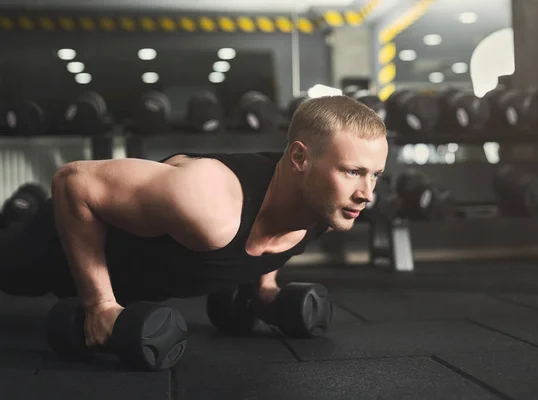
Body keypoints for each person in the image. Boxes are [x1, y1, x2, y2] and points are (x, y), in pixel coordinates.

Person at [1, 95, 388, 350]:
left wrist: (265, 285)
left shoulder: (324, 205)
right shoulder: (208, 204)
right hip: (46, 250)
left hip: (137, 279)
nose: (367, 192)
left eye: (375, 175)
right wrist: (99, 303)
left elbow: (272, 232)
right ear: (300, 159)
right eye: (354, 171)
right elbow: (74, 180)